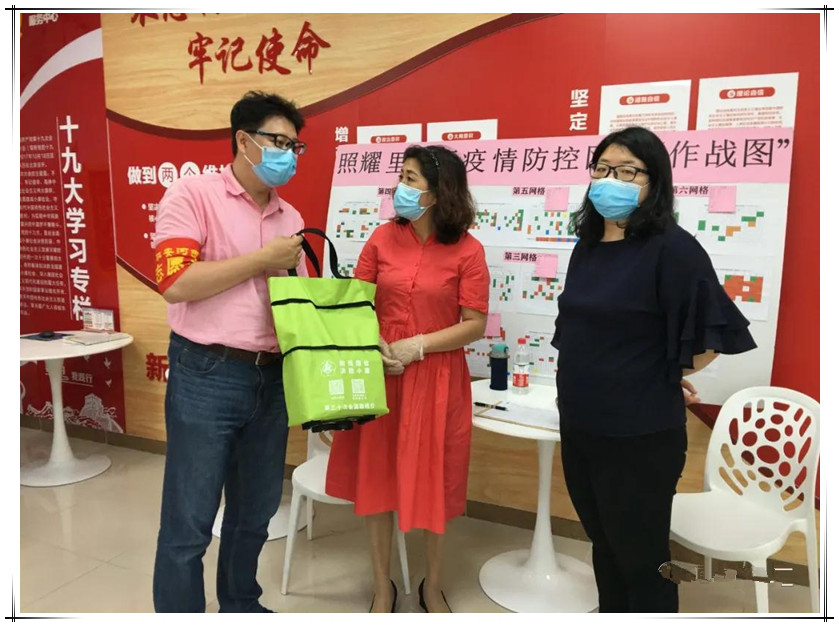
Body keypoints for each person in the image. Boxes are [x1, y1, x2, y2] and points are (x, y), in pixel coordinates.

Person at [551, 126, 757, 613]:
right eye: (603, 169)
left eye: (628, 171)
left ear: (654, 181)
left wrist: (660, 375)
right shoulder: (589, 244)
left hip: (639, 435)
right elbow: (589, 330)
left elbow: (713, 334)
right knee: (604, 544)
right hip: (580, 424)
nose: (611, 180)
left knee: (643, 559)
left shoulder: (672, 247)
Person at [151, 91, 309, 612]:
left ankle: (241, 604)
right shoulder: (192, 195)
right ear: (243, 141)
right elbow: (175, 283)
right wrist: (262, 259)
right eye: (277, 141)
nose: (288, 154)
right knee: (190, 519)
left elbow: (296, 303)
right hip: (207, 372)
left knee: (255, 513)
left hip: (273, 377)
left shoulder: (290, 217)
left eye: (294, 146)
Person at [325, 145, 490, 613]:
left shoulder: (469, 250)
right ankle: (383, 586)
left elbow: (474, 323)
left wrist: (418, 345)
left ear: (438, 192)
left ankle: (432, 585)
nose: (400, 186)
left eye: (411, 179)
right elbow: (356, 302)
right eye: (402, 177)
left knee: (434, 482)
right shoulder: (382, 238)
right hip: (380, 373)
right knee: (376, 481)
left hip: (436, 380)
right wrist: (376, 343)